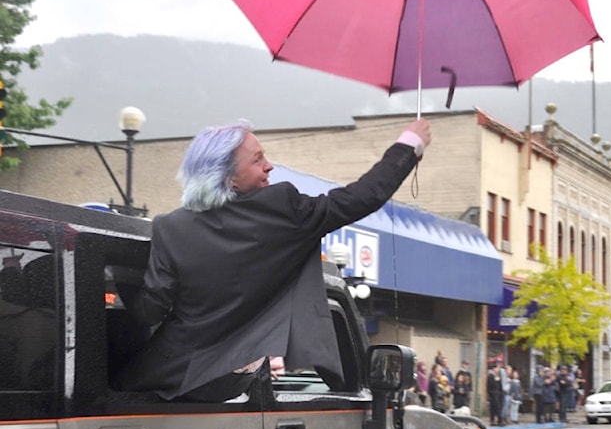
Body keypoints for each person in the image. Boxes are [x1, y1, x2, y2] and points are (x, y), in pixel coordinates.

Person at [114, 118, 431, 401]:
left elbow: (149, 310)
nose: (269, 166)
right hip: (230, 384)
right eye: (258, 159)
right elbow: (361, 197)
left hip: (170, 377)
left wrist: (117, 279)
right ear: (229, 179)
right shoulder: (282, 210)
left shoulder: (170, 227)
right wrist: (409, 145)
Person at [487, 359, 504, 426]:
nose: (497, 369)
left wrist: (501, 392)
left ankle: (497, 420)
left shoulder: (498, 376)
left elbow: (500, 386)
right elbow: (489, 386)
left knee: (498, 407)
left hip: (498, 393)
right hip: (493, 394)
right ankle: (497, 420)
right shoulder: (491, 376)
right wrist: (490, 394)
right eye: (496, 368)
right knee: (495, 407)